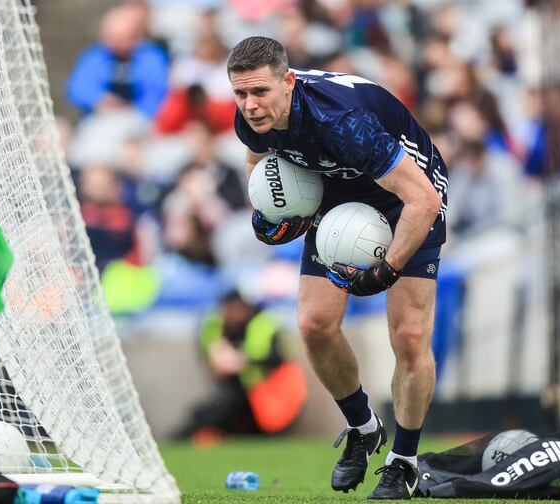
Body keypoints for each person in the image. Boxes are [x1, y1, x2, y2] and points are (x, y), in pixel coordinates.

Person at [228, 36, 447, 499]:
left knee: (408, 336)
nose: (249, 105)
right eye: (240, 94)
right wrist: (271, 214)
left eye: (260, 92)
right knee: (313, 325)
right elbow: (256, 162)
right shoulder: (252, 118)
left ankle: (404, 463)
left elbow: (422, 199)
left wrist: (387, 269)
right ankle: (363, 428)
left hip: (408, 197)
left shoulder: (342, 121)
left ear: (288, 82)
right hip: (339, 196)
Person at [182, 290, 306, 438]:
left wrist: (243, 360)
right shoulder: (216, 326)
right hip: (240, 392)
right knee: (212, 410)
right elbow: (210, 361)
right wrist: (217, 360)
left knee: (225, 407)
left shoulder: (263, 323)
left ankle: (186, 436)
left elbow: (277, 359)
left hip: (266, 392)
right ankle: (190, 434)